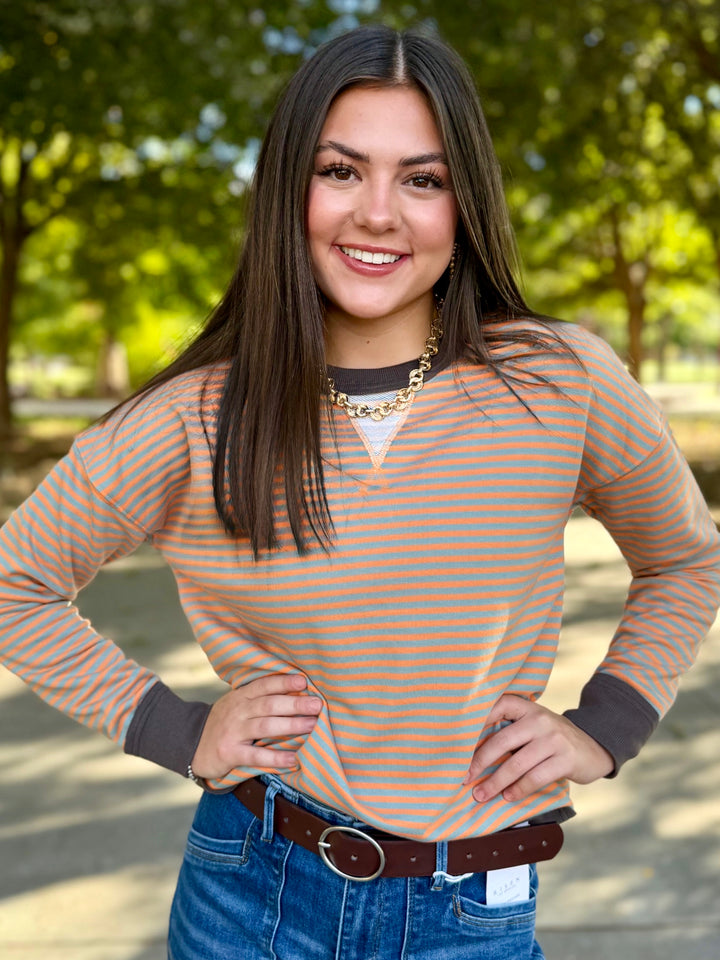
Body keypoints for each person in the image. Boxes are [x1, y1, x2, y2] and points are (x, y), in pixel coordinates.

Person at [1, 23, 718, 960]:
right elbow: (17, 582)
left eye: (422, 179)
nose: (378, 212)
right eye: (340, 170)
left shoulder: (562, 380)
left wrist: (607, 724)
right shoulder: (193, 416)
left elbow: (684, 560)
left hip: (475, 909)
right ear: (288, 189)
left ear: (465, 205)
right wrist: (174, 729)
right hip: (249, 896)